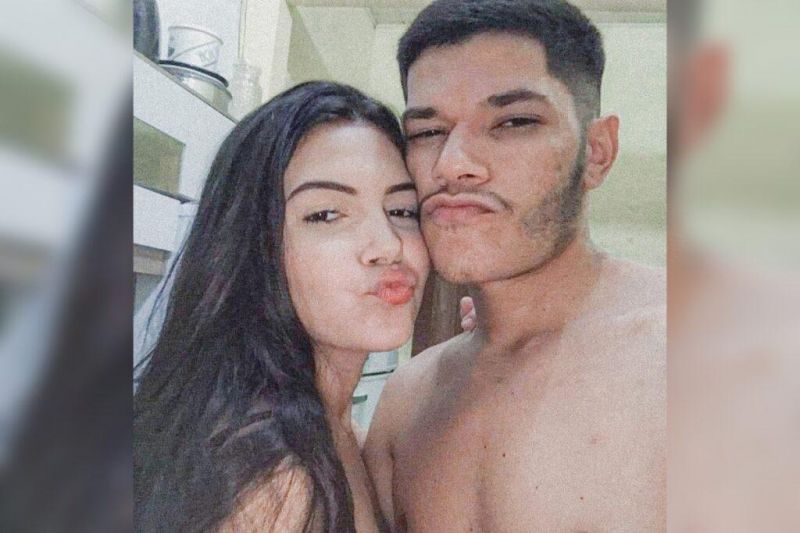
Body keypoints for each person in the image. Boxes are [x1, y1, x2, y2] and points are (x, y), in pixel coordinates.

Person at [363, 1, 666, 531]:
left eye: (514, 122)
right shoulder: (405, 404)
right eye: (428, 131)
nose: (452, 165)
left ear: (597, 152)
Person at [134, 81, 430, 532]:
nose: (388, 246)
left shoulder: (338, 430)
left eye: (403, 211)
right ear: (256, 246)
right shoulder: (275, 481)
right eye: (326, 214)